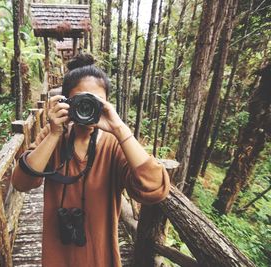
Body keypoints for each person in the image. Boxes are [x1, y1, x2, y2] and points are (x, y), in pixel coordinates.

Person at [11, 54, 170, 267]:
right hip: (59, 254)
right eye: (80, 101)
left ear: (105, 104)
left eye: (94, 102)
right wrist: (54, 135)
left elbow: (155, 188)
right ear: (66, 102)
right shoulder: (52, 135)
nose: (86, 108)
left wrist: (119, 128)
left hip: (99, 255)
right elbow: (21, 182)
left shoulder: (114, 143)